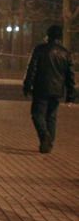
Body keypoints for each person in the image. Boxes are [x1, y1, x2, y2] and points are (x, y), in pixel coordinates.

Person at [23, 25, 75, 153]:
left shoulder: (40, 49)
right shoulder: (65, 53)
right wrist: (70, 95)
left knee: (37, 114)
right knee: (51, 117)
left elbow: (32, 69)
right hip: (57, 90)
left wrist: (27, 85)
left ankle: (45, 136)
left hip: (41, 88)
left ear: (48, 35)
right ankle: (48, 143)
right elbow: (70, 76)